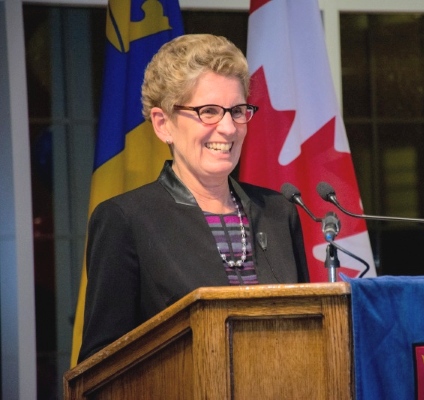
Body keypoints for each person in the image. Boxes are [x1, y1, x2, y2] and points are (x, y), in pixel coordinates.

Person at [78, 34, 309, 362]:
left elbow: (308, 331)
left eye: (237, 111)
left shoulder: (278, 212)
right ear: (163, 124)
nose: (228, 128)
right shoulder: (126, 220)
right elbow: (102, 364)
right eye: (209, 111)